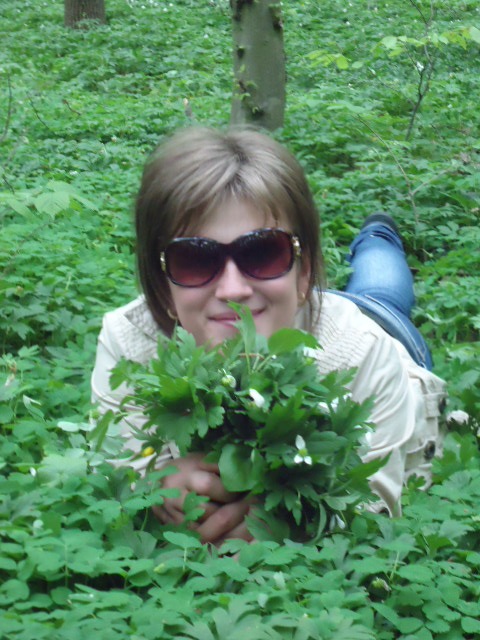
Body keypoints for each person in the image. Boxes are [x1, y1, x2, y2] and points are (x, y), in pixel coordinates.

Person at [91, 127, 447, 545]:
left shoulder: (364, 350)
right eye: (194, 258)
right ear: (161, 283)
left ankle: (378, 234)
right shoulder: (129, 342)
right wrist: (154, 481)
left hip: (386, 328)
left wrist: (291, 522)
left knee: (383, 285)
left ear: (305, 269)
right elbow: (116, 469)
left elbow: (372, 507)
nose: (232, 290)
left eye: (263, 251)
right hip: (287, 303)